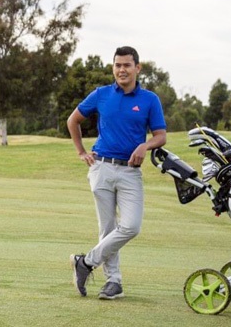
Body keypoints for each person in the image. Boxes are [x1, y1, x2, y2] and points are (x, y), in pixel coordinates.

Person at [65, 46, 166, 300]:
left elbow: (161, 136)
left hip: (130, 172)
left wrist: (145, 145)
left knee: (131, 226)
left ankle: (85, 262)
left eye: (127, 65)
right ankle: (114, 282)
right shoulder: (101, 94)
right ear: (114, 68)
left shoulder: (149, 100)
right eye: (118, 65)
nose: (122, 70)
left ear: (137, 68)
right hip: (101, 167)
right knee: (107, 227)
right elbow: (73, 120)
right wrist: (81, 152)